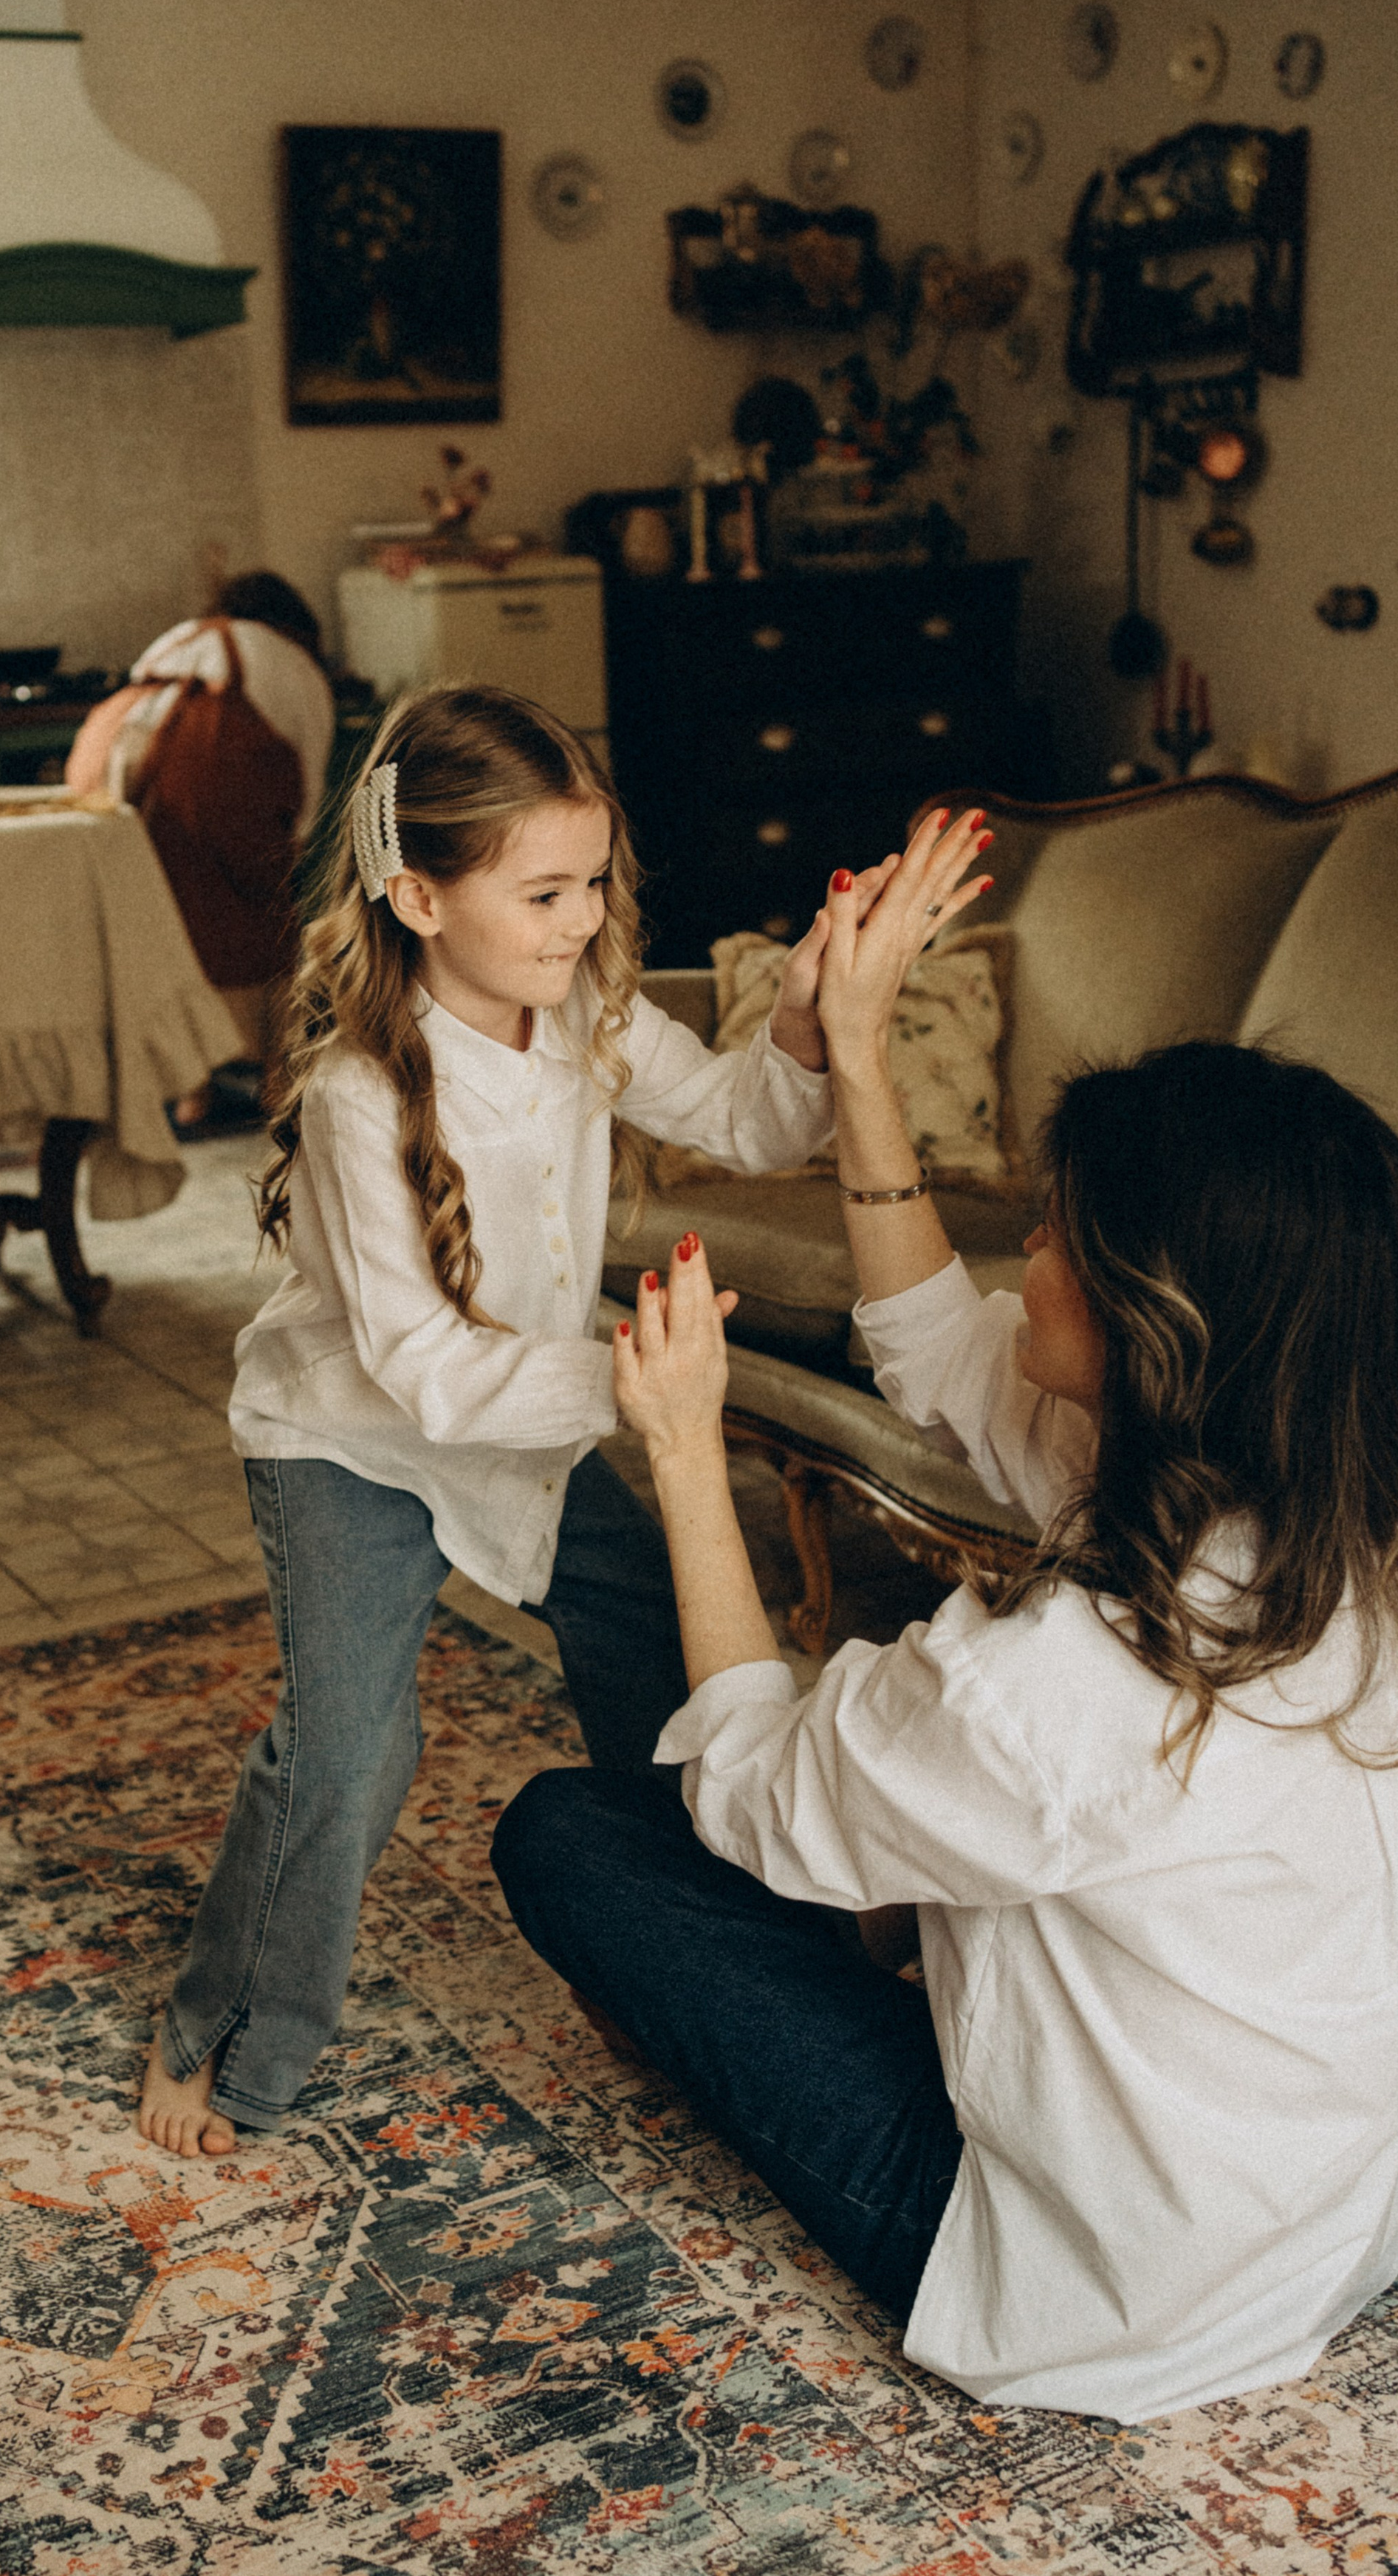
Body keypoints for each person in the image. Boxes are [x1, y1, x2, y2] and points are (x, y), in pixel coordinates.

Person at [493, 810, 1398, 2422]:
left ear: (1151, 1325)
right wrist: (851, 1050)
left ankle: (891, 1955)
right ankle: (909, 1913)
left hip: (1094, 2292)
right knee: (887, 1854)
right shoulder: (1336, 1518)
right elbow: (935, 1344)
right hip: (1316, 2226)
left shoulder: (1067, 1678)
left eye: (1057, 1238)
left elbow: (745, 1791)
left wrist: (684, 1454)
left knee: (573, 1837)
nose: (1030, 1256)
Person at [135, 684, 900, 2159]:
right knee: (350, 1754)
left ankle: (696, 1962)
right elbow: (421, 1374)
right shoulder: (362, 1089)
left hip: (528, 1428)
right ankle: (220, 2031)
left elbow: (752, 1122)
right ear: (416, 896)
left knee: (672, 1650)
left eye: (593, 882)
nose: (578, 919)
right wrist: (637, 1373)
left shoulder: (586, 1017)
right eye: (542, 891)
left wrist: (806, 1010)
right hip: (348, 1445)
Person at [66, 571, 336, 1123]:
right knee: (253, 912)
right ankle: (274, 1077)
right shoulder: (289, 658)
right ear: (295, 626)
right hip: (214, 756)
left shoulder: (183, 637)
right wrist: (296, 850)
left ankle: (190, 1088)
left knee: (154, 916)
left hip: (106, 747)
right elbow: (307, 774)